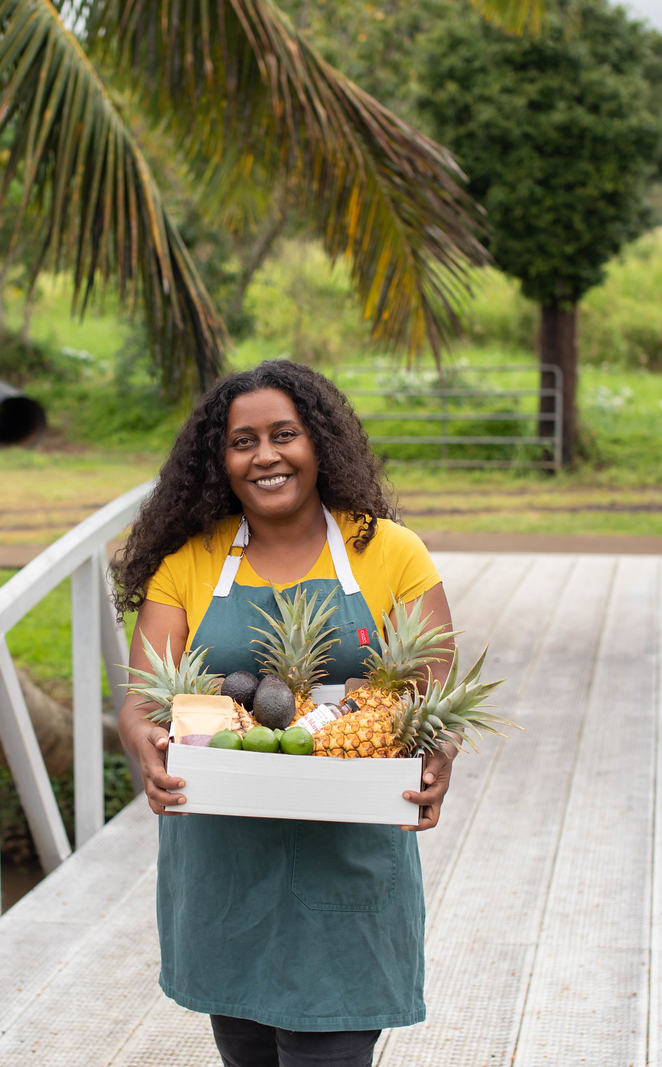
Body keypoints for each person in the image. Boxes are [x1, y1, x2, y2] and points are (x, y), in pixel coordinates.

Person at [114, 360, 458, 1067]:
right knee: (243, 1050)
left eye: (284, 434)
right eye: (243, 441)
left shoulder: (389, 551)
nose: (265, 455)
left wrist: (439, 747)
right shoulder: (189, 560)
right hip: (223, 862)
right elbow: (144, 698)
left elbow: (435, 690)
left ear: (318, 443)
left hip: (349, 859)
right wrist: (148, 744)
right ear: (219, 461)